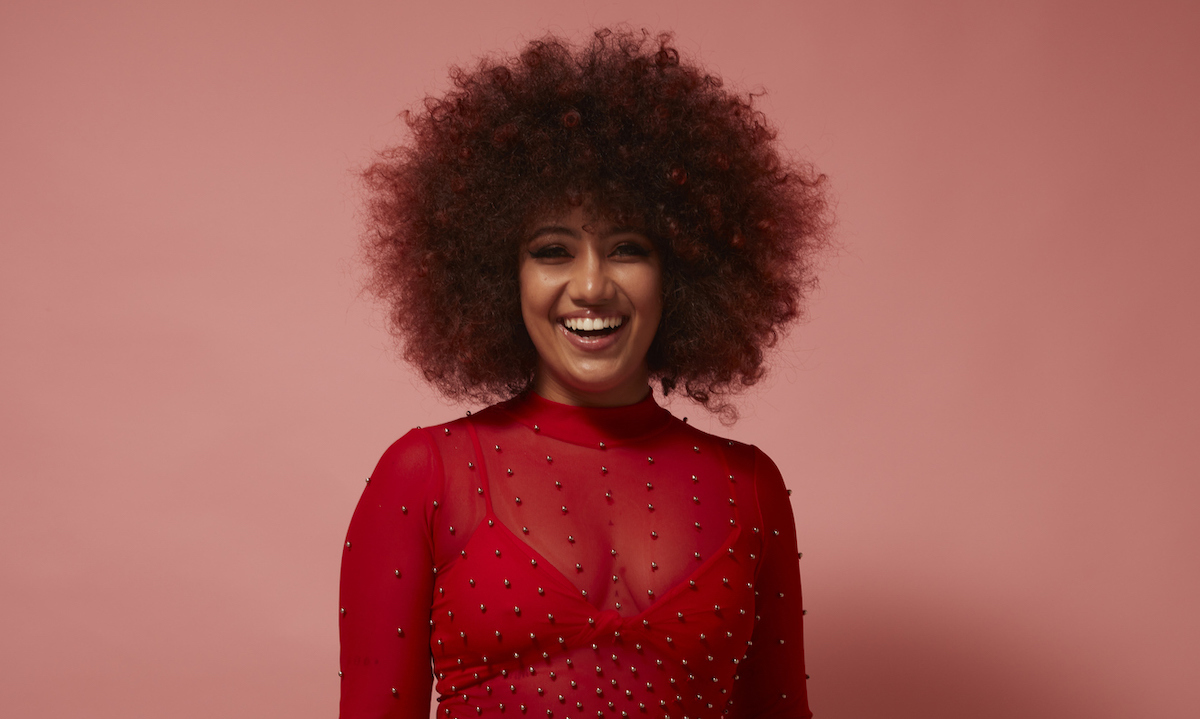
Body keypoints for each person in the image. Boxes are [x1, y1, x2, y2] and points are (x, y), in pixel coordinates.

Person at [340, 28, 830, 719]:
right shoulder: (423, 474)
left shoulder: (751, 488)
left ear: (681, 273)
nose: (592, 286)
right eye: (552, 250)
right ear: (498, 274)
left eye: (628, 247)